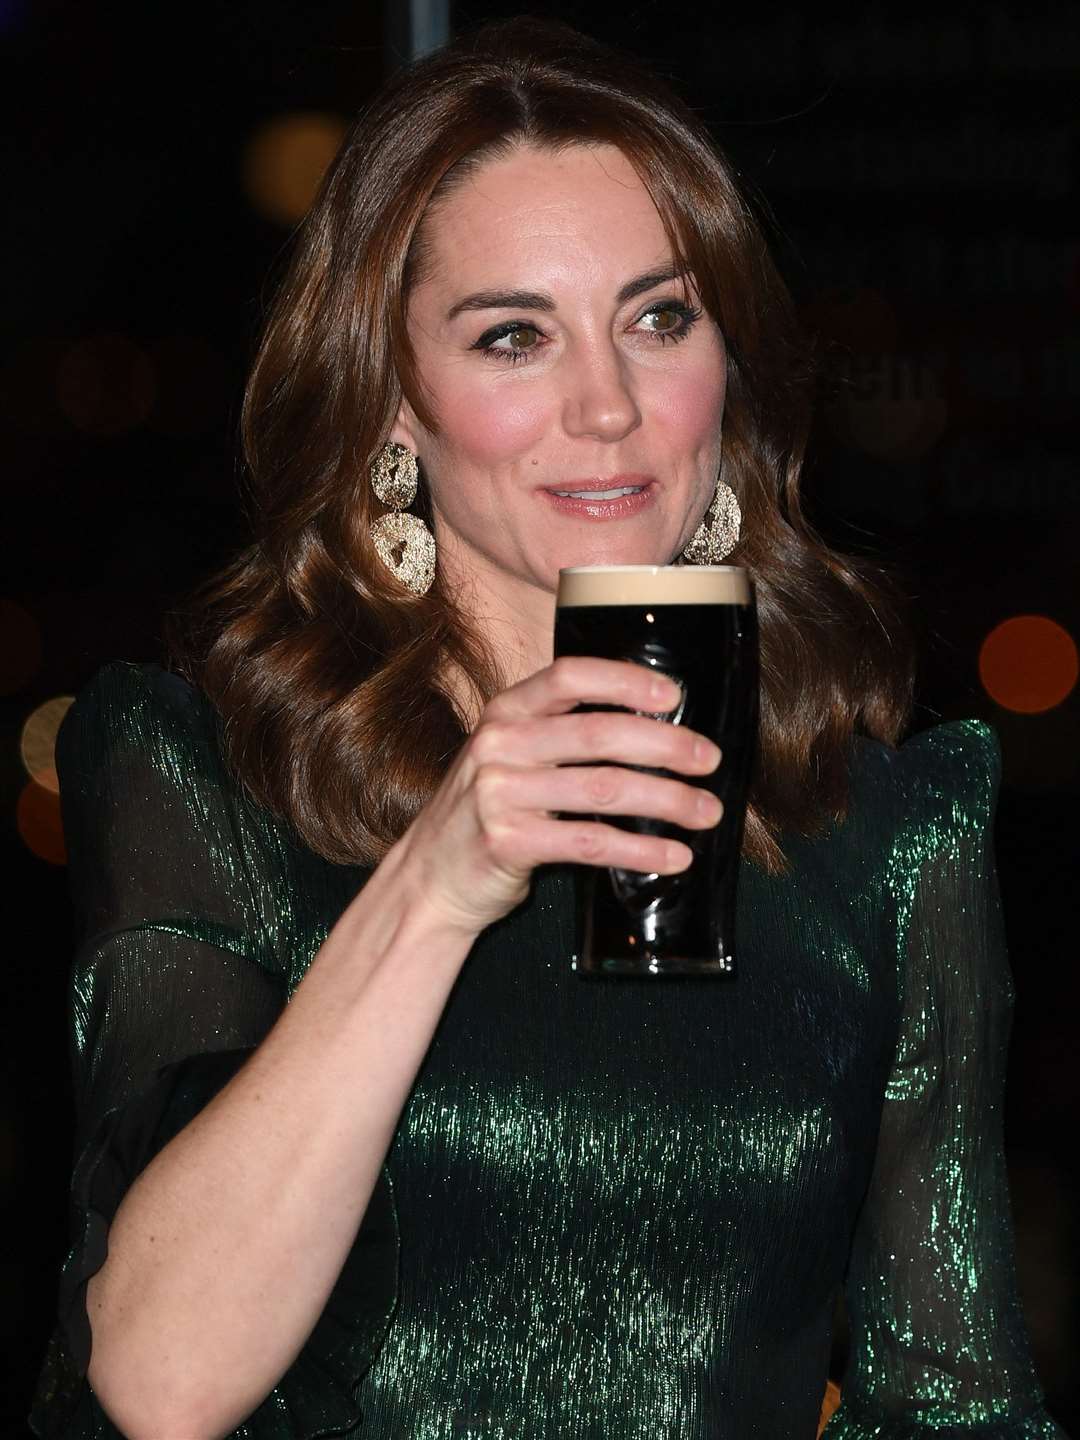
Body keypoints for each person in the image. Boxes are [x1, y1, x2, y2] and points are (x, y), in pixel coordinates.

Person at [29, 17, 1066, 1440]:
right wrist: (437, 881)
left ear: (728, 369)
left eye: (659, 319)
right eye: (515, 336)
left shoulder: (885, 828)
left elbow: (958, 1406)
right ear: (397, 406)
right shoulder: (208, 778)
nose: (609, 407)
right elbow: (157, 1380)